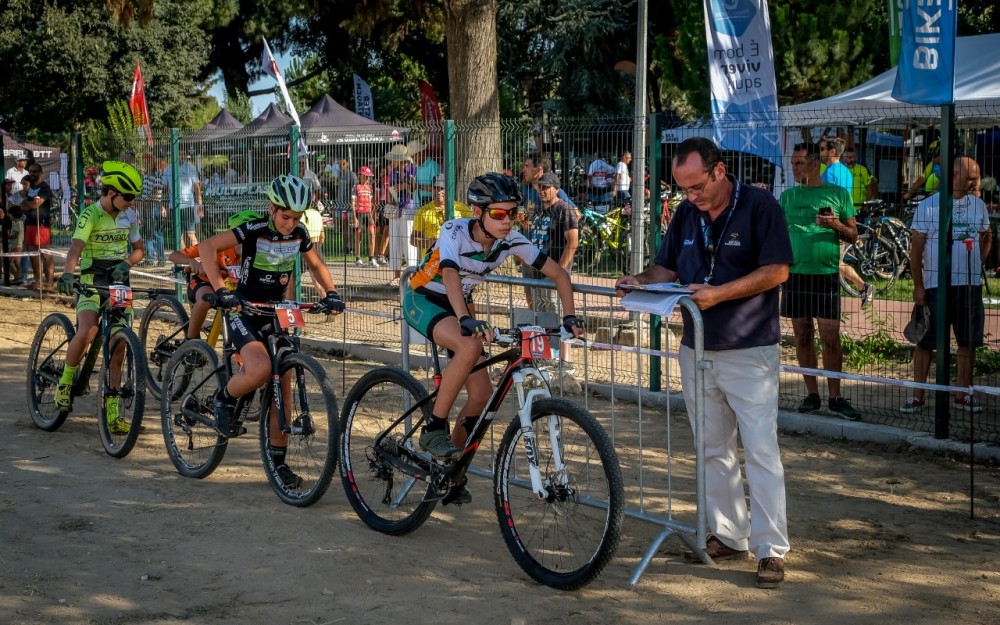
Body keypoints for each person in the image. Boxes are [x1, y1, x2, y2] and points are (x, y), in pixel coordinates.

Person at [614, 137, 792, 589]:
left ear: (719, 170)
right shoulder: (686, 213)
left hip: (749, 349)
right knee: (713, 449)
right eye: (683, 189)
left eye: (696, 187)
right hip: (696, 349)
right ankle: (729, 535)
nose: (690, 196)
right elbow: (667, 268)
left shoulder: (760, 205)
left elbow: (777, 270)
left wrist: (719, 294)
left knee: (761, 451)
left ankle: (771, 549)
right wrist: (639, 280)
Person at [403, 172, 585, 503]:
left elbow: (558, 273)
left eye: (512, 213)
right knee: (471, 344)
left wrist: (569, 315)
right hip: (425, 299)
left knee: (481, 395)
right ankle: (433, 429)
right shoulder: (454, 230)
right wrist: (466, 319)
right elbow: (449, 274)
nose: (507, 221)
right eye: (499, 214)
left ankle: (449, 467)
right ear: (478, 212)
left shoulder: (512, 239)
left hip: (462, 306)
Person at [198, 175, 345, 488]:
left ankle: (278, 464)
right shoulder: (254, 230)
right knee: (262, 368)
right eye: (285, 216)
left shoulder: (300, 234)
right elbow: (208, 247)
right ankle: (223, 399)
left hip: (277, 311)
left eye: (296, 218)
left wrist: (330, 292)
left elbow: (316, 265)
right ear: (272, 209)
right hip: (244, 309)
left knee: (284, 380)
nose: (290, 224)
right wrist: (222, 289)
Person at [54, 161, 145, 433]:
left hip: (119, 282)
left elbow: (139, 250)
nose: (131, 203)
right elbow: (75, 249)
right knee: (87, 331)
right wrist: (69, 274)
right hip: (92, 280)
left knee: (119, 346)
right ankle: (66, 383)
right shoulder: (89, 215)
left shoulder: (129, 216)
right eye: (127, 197)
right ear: (111, 192)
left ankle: (114, 412)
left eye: (133, 198)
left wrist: (127, 263)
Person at [902, 156, 993, 414]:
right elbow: (916, 249)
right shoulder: (929, 206)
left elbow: (987, 236)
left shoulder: (978, 205)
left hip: (969, 287)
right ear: (954, 175)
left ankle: (963, 394)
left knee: (968, 342)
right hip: (935, 287)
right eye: (971, 177)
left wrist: (977, 264)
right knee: (926, 342)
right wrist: (918, 286)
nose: (976, 182)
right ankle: (918, 395)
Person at [780, 142, 862, 421]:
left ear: (816, 164)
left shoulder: (838, 194)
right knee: (802, 335)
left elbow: (854, 235)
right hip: (795, 274)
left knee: (830, 338)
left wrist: (835, 225)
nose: (794, 168)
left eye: (799, 163)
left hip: (825, 275)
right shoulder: (788, 197)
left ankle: (836, 397)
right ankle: (811, 394)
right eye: (792, 163)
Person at [522, 171, 581, 390]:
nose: (541, 191)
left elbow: (572, 243)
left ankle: (566, 363)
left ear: (556, 188)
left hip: (553, 273)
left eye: (545, 187)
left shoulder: (564, 209)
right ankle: (546, 357)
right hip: (537, 272)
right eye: (539, 188)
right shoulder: (539, 210)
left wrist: (559, 271)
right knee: (541, 314)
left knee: (559, 314)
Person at [167, 210, 261, 341]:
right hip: (205, 283)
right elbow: (173, 255)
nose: (248, 243)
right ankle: (190, 342)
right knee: (206, 299)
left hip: (233, 290)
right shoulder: (218, 246)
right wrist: (192, 262)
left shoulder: (259, 254)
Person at [410, 173, 472, 258]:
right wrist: (428, 242)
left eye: (441, 188)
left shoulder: (462, 209)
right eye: (435, 188)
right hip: (431, 263)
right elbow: (413, 239)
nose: (438, 192)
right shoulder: (423, 211)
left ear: (449, 189)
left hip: (456, 259)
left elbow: (472, 233)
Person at [24, 163, 55, 290]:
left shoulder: (45, 188)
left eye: (35, 171)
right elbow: (25, 204)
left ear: (41, 172)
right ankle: (38, 281)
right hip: (29, 223)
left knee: (45, 254)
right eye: (30, 171)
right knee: (33, 255)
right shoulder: (29, 188)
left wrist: (26, 204)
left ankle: (50, 283)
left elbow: (35, 205)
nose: (32, 174)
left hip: (41, 225)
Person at [162, 152, 203, 248]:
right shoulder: (168, 169)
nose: (181, 156)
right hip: (174, 206)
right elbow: (165, 188)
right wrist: (163, 205)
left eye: (183, 154)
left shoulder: (190, 168)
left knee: (190, 234)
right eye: (179, 154)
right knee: (178, 236)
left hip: (188, 205)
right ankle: (185, 258)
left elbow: (197, 188)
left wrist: (200, 205)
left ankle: (198, 256)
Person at [352, 165, 378, 266]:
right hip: (359, 213)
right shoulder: (356, 187)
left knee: (372, 234)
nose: (367, 178)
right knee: (359, 235)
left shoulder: (370, 187)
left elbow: (371, 203)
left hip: (368, 213)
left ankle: (371, 258)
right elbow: (353, 203)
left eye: (368, 177)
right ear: (361, 175)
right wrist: (354, 218)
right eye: (366, 176)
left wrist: (371, 216)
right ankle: (358, 258)